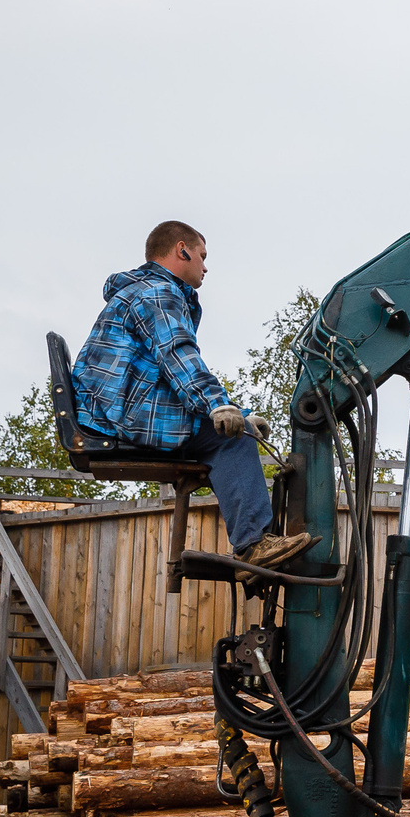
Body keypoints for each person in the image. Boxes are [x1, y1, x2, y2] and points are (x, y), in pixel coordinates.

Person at [70, 221, 316, 570]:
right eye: (202, 256)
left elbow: (168, 375)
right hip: (122, 414)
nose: (205, 266)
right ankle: (254, 545)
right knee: (231, 437)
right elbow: (178, 355)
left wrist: (238, 411)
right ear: (181, 249)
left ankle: (255, 542)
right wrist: (221, 408)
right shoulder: (158, 292)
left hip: (112, 409)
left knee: (233, 426)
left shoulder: (139, 291)